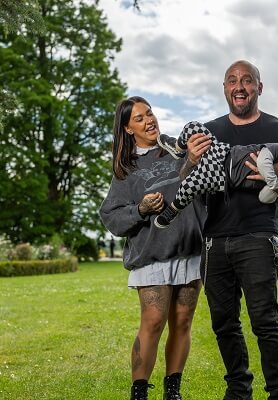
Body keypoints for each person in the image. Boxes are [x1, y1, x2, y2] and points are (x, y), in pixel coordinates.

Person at [193, 60, 278, 400]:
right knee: (224, 323)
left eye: (247, 80)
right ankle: (238, 390)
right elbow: (187, 182)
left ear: (259, 88)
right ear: (224, 88)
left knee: (265, 321)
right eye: (232, 80)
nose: (240, 86)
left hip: (258, 237)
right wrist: (190, 162)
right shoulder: (208, 133)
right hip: (214, 240)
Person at [99, 96, 206, 400]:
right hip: (152, 255)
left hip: (190, 249)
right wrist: (141, 210)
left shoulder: (177, 148)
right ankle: (140, 393)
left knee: (183, 321)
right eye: (140, 119)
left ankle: (172, 390)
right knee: (154, 321)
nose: (149, 121)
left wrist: (194, 159)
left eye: (150, 114)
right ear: (128, 129)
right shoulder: (126, 170)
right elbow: (112, 217)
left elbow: (200, 180)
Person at [153, 121, 278, 228]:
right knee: (193, 127)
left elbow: (265, 197)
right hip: (222, 152)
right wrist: (272, 180)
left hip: (221, 177)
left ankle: (173, 209)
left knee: (189, 187)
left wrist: (277, 188)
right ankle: (178, 147)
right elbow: (263, 159)